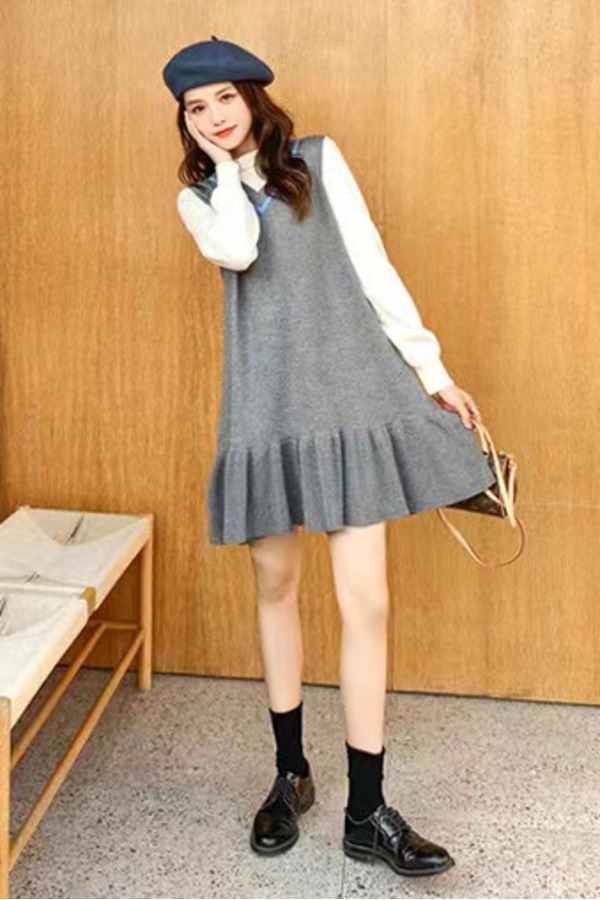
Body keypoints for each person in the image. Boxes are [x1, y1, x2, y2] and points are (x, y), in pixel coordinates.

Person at [163, 36, 496, 879]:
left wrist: (432, 372)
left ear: (255, 96)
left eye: (226, 98)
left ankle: (367, 811)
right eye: (197, 108)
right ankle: (291, 775)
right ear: (186, 122)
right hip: (267, 411)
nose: (215, 115)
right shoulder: (200, 199)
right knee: (276, 586)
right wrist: (225, 168)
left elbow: (374, 266)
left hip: (348, 402)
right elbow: (240, 250)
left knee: (367, 602)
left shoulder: (318, 161)